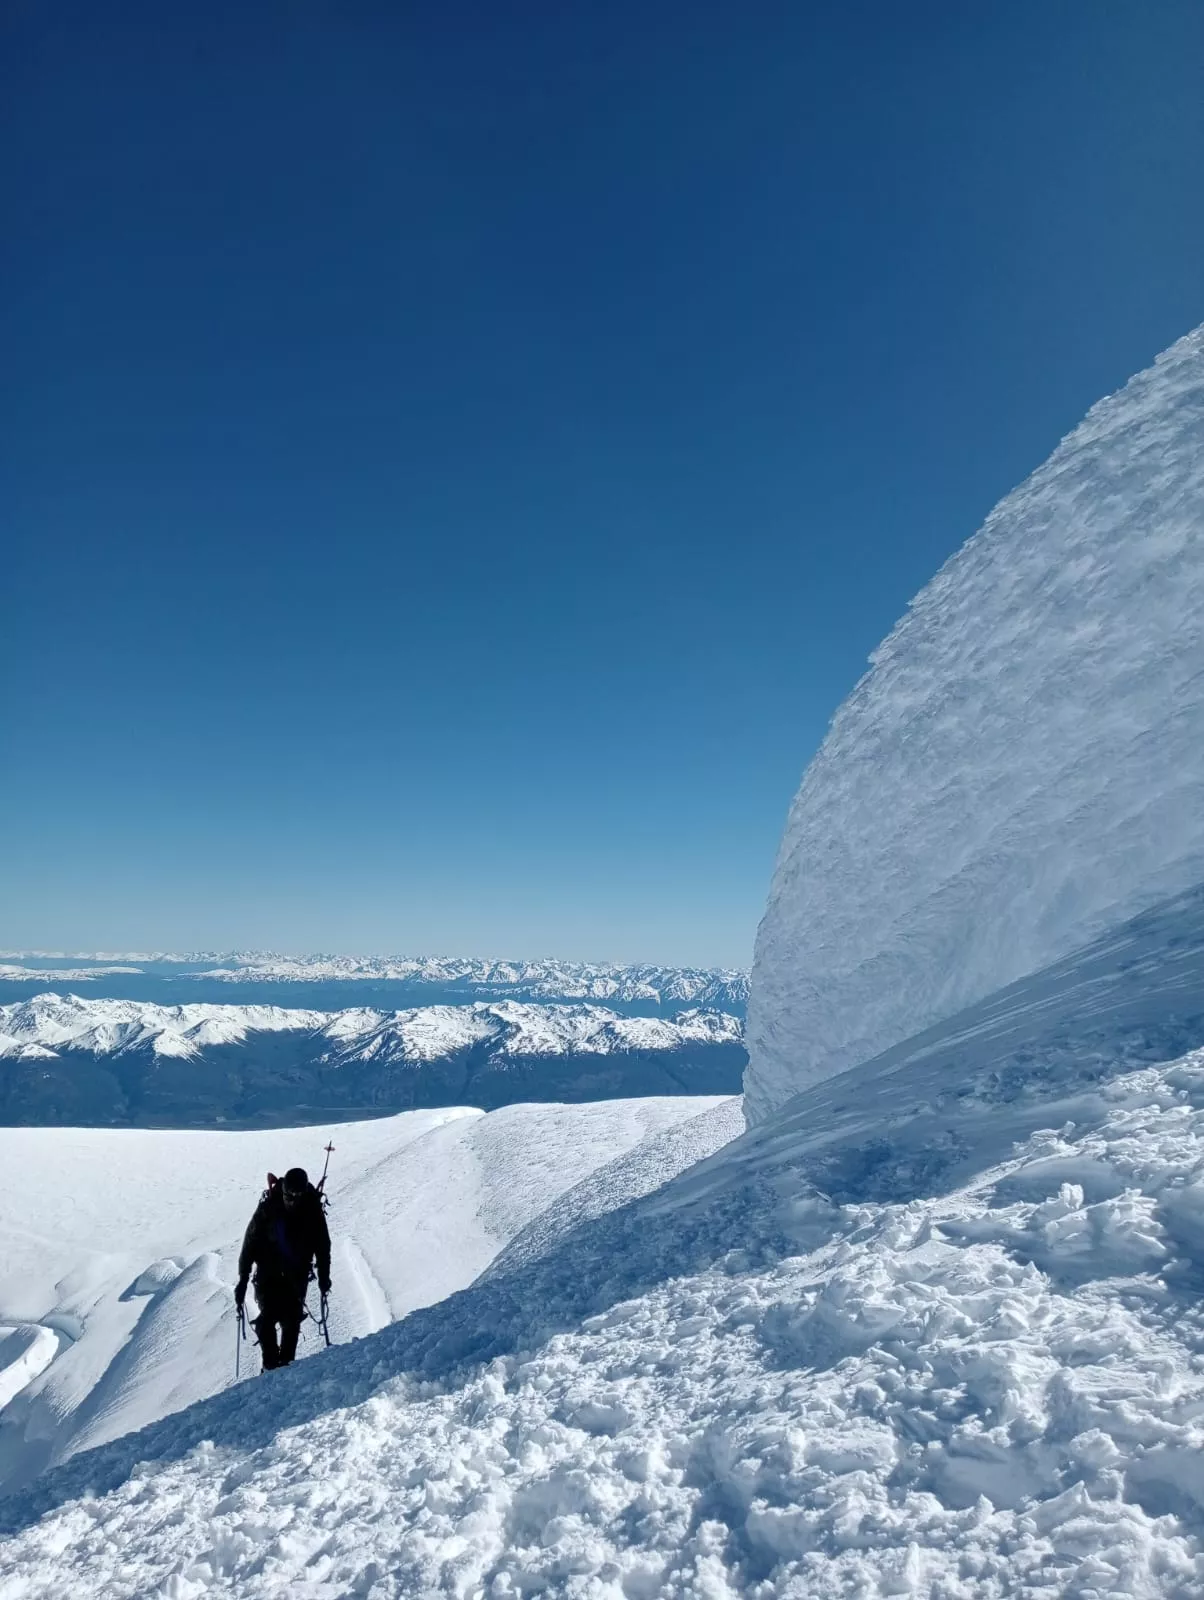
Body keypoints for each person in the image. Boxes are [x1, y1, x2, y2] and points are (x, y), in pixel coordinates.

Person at [235, 1166, 331, 1371]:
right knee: (268, 1319)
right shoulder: (269, 1207)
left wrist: (324, 1277)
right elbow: (250, 1243)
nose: (292, 1200)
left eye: (297, 1195)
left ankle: (285, 1368)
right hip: (269, 1273)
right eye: (289, 1195)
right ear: (283, 1190)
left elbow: (323, 1247)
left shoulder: (312, 1211)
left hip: (295, 1276)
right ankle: (272, 1367)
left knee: (291, 1320)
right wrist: (242, 1279)